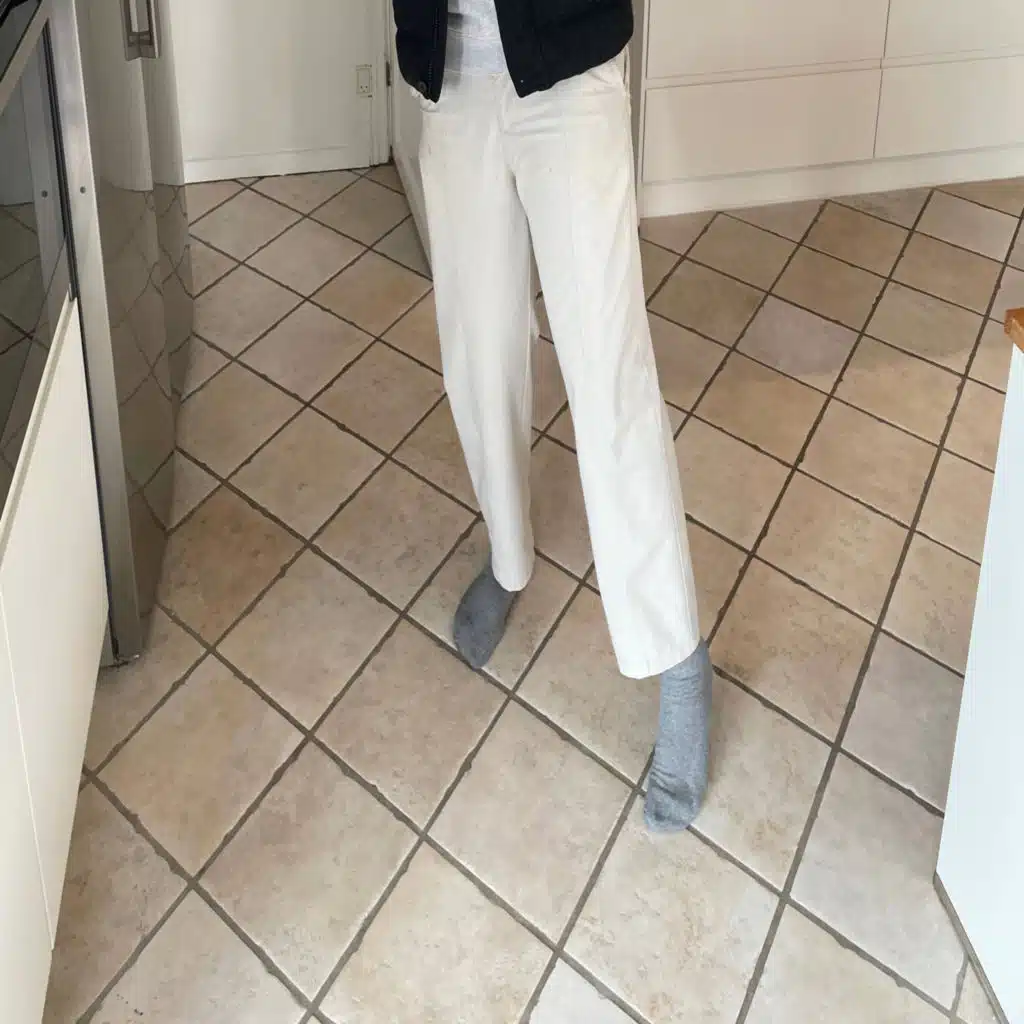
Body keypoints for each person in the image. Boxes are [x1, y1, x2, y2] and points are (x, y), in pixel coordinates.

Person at [392, 0, 712, 833]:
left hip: (569, 70)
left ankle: (676, 652)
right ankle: (507, 558)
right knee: (479, 350)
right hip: (450, 70)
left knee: (608, 369)